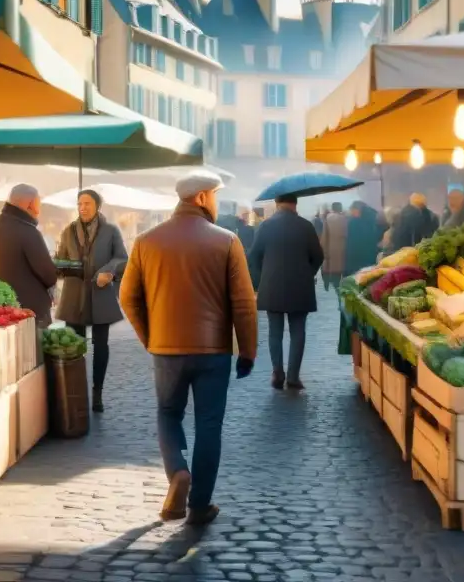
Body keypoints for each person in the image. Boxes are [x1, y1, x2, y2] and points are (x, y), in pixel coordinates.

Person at [119, 170, 257, 526]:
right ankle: (199, 505)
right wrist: (248, 351)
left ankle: (178, 471)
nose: (215, 201)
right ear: (200, 198)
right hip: (214, 351)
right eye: (213, 195)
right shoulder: (227, 241)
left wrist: (151, 337)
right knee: (210, 424)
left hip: (166, 349)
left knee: (168, 414)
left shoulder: (146, 241)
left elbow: (128, 297)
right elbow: (243, 303)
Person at [55, 189, 129, 413]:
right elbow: (61, 258)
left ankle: (97, 394)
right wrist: (61, 266)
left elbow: (122, 258)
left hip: (100, 294)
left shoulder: (110, 231)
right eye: (79, 204)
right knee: (74, 347)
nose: (83, 207)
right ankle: (76, 392)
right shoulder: (68, 231)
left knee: (101, 346)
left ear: (97, 205)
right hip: (74, 295)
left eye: (87, 203)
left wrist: (109, 272)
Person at [246, 193, 324, 390]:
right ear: (295, 204)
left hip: (272, 286)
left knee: (275, 331)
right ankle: (293, 376)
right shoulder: (306, 226)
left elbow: (253, 256)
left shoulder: (265, 226)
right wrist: (308, 273)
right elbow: (318, 256)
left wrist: (261, 278)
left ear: (276, 204)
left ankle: (277, 373)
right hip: (300, 286)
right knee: (298, 331)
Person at [0, 184, 58, 327]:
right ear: (29, 204)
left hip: (3, 308)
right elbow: (48, 274)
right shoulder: (29, 232)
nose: (39, 210)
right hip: (31, 311)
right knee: (33, 347)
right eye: (38, 204)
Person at [345, 201, 384, 273]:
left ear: (357, 209)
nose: (352, 214)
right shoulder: (374, 217)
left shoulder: (355, 222)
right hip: (371, 253)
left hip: (359, 256)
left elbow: (352, 241)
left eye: (352, 211)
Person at [320, 201, 348, 290]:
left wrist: (323, 249)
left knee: (332, 268)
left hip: (330, 248)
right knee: (341, 268)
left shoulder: (327, 219)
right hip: (343, 248)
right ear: (340, 208)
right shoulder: (345, 219)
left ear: (332, 208)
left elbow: (324, 235)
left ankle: (331, 285)